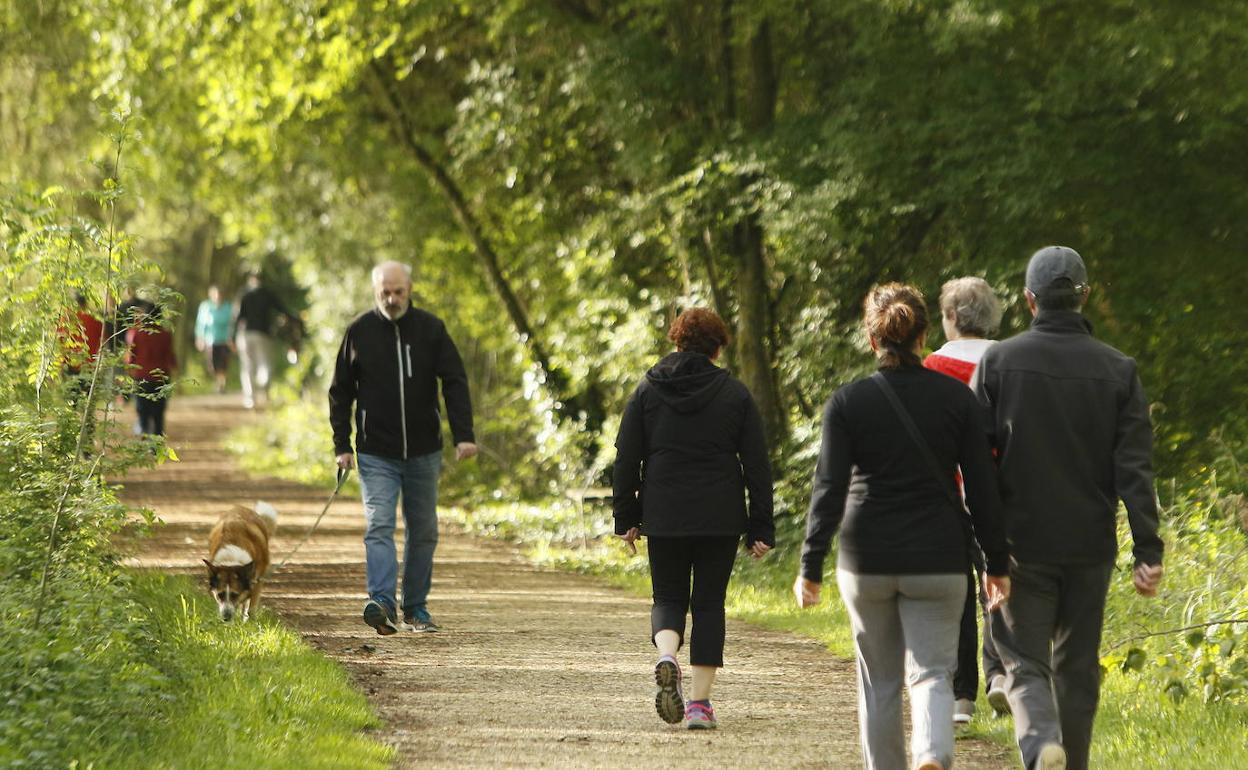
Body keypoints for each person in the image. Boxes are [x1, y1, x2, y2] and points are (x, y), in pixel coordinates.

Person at [794, 283, 1010, 770]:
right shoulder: (957, 400)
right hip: (939, 556)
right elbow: (981, 490)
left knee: (879, 680)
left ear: (873, 341)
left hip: (866, 557)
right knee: (933, 672)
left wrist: (809, 566)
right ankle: (932, 753)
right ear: (923, 336)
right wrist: (996, 563)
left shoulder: (849, 402)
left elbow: (828, 489)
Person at [972, 247, 1164, 770]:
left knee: (1022, 659)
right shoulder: (1118, 370)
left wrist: (986, 551)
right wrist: (1148, 549)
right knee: (1077, 670)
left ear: (1029, 300)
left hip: (1019, 543)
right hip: (1089, 544)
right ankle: (1070, 762)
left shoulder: (997, 362)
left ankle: (1039, 745)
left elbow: (976, 464)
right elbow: (1134, 469)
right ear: (1083, 296)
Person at [613, 307, 774, 730]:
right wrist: (761, 526)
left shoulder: (648, 389)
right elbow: (757, 464)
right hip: (719, 515)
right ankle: (700, 706)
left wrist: (626, 517)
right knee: (708, 604)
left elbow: (626, 458)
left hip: (663, 512)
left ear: (677, 341)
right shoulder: (735, 394)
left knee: (667, 598)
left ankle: (667, 655)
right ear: (717, 348)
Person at [329, 261, 478, 635]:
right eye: (385, 292)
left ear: (410, 289)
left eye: (398, 292)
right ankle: (381, 601)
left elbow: (454, 381)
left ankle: (415, 608)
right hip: (376, 450)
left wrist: (464, 434)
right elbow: (341, 392)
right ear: (375, 291)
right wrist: (341, 444)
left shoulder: (431, 329)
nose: (392, 299)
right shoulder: (359, 332)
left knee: (423, 528)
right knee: (379, 523)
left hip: (424, 449)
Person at [922, 276, 1010, 724]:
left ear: (952, 316)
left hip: (951, 494)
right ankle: (999, 672)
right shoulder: (1007, 359)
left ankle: (961, 696)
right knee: (997, 581)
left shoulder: (931, 367)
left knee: (957, 594)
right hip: (1004, 490)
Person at [233, 273, 298, 408]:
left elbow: (238, 317)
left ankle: (250, 398)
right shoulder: (267, 294)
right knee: (265, 365)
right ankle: (261, 386)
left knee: (247, 366)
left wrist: (232, 335)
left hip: (245, 335)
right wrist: (293, 318)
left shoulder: (244, 294)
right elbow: (282, 309)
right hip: (263, 334)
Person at [124, 303, 177, 437]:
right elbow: (170, 356)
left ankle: (143, 440)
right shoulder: (165, 334)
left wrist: (129, 372)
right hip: (161, 378)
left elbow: (131, 357)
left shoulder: (136, 333)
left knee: (143, 412)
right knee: (158, 414)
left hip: (142, 378)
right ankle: (157, 445)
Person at [195, 285, 234, 394]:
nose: (217, 296)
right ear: (210, 295)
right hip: (210, 340)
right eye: (215, 294)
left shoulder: (228, 307)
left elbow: (232, 323)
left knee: (224, 363)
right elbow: (200, 324)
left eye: (219, 294)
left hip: (225, 340)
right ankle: (218, 380)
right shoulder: (205, 306)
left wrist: (232, 338)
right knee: (212, 365)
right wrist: (199, 337)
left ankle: (221, 384)